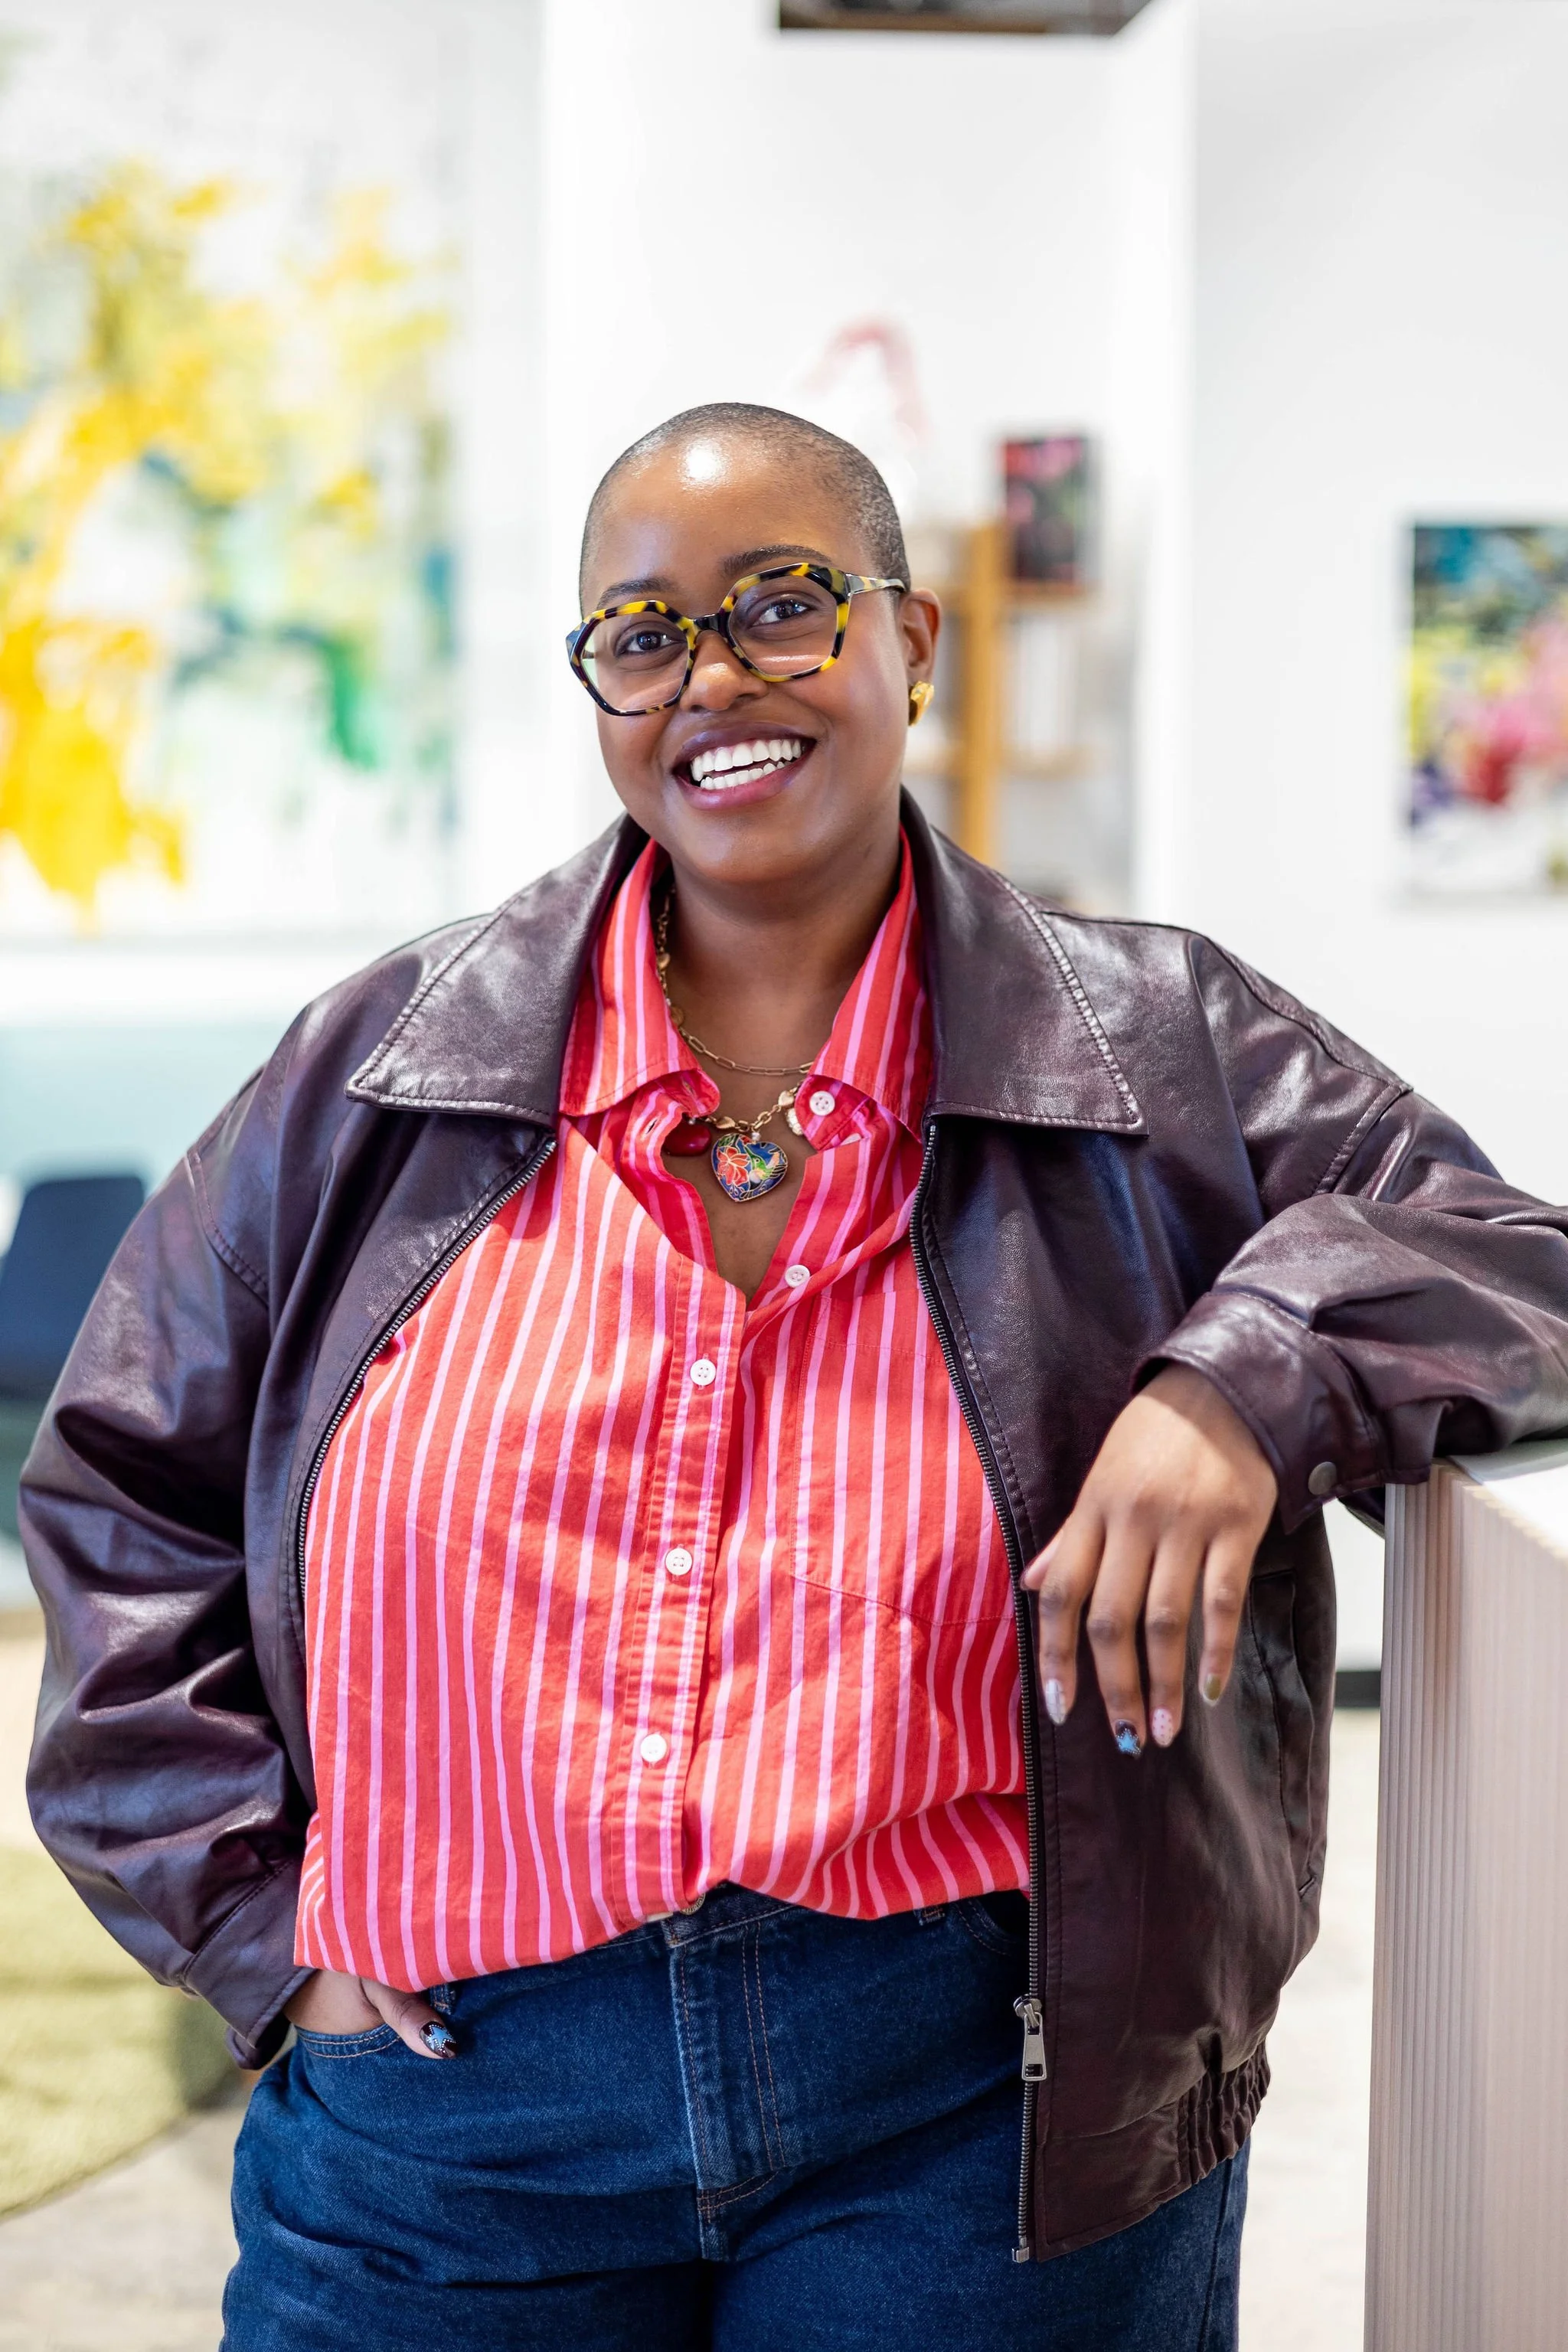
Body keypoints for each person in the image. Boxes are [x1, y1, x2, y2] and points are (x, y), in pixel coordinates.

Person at [21, 402, 1568, 2351]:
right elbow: (118, 1487)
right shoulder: (375, 1071)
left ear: (911, 640)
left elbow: (1508, 1250)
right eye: (643, 632)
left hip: (979, 2098)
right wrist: (250, 1917)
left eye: (782, 604)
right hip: (448, 2100)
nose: (715, 679)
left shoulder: (1158, 1043)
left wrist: (1237, 1383)